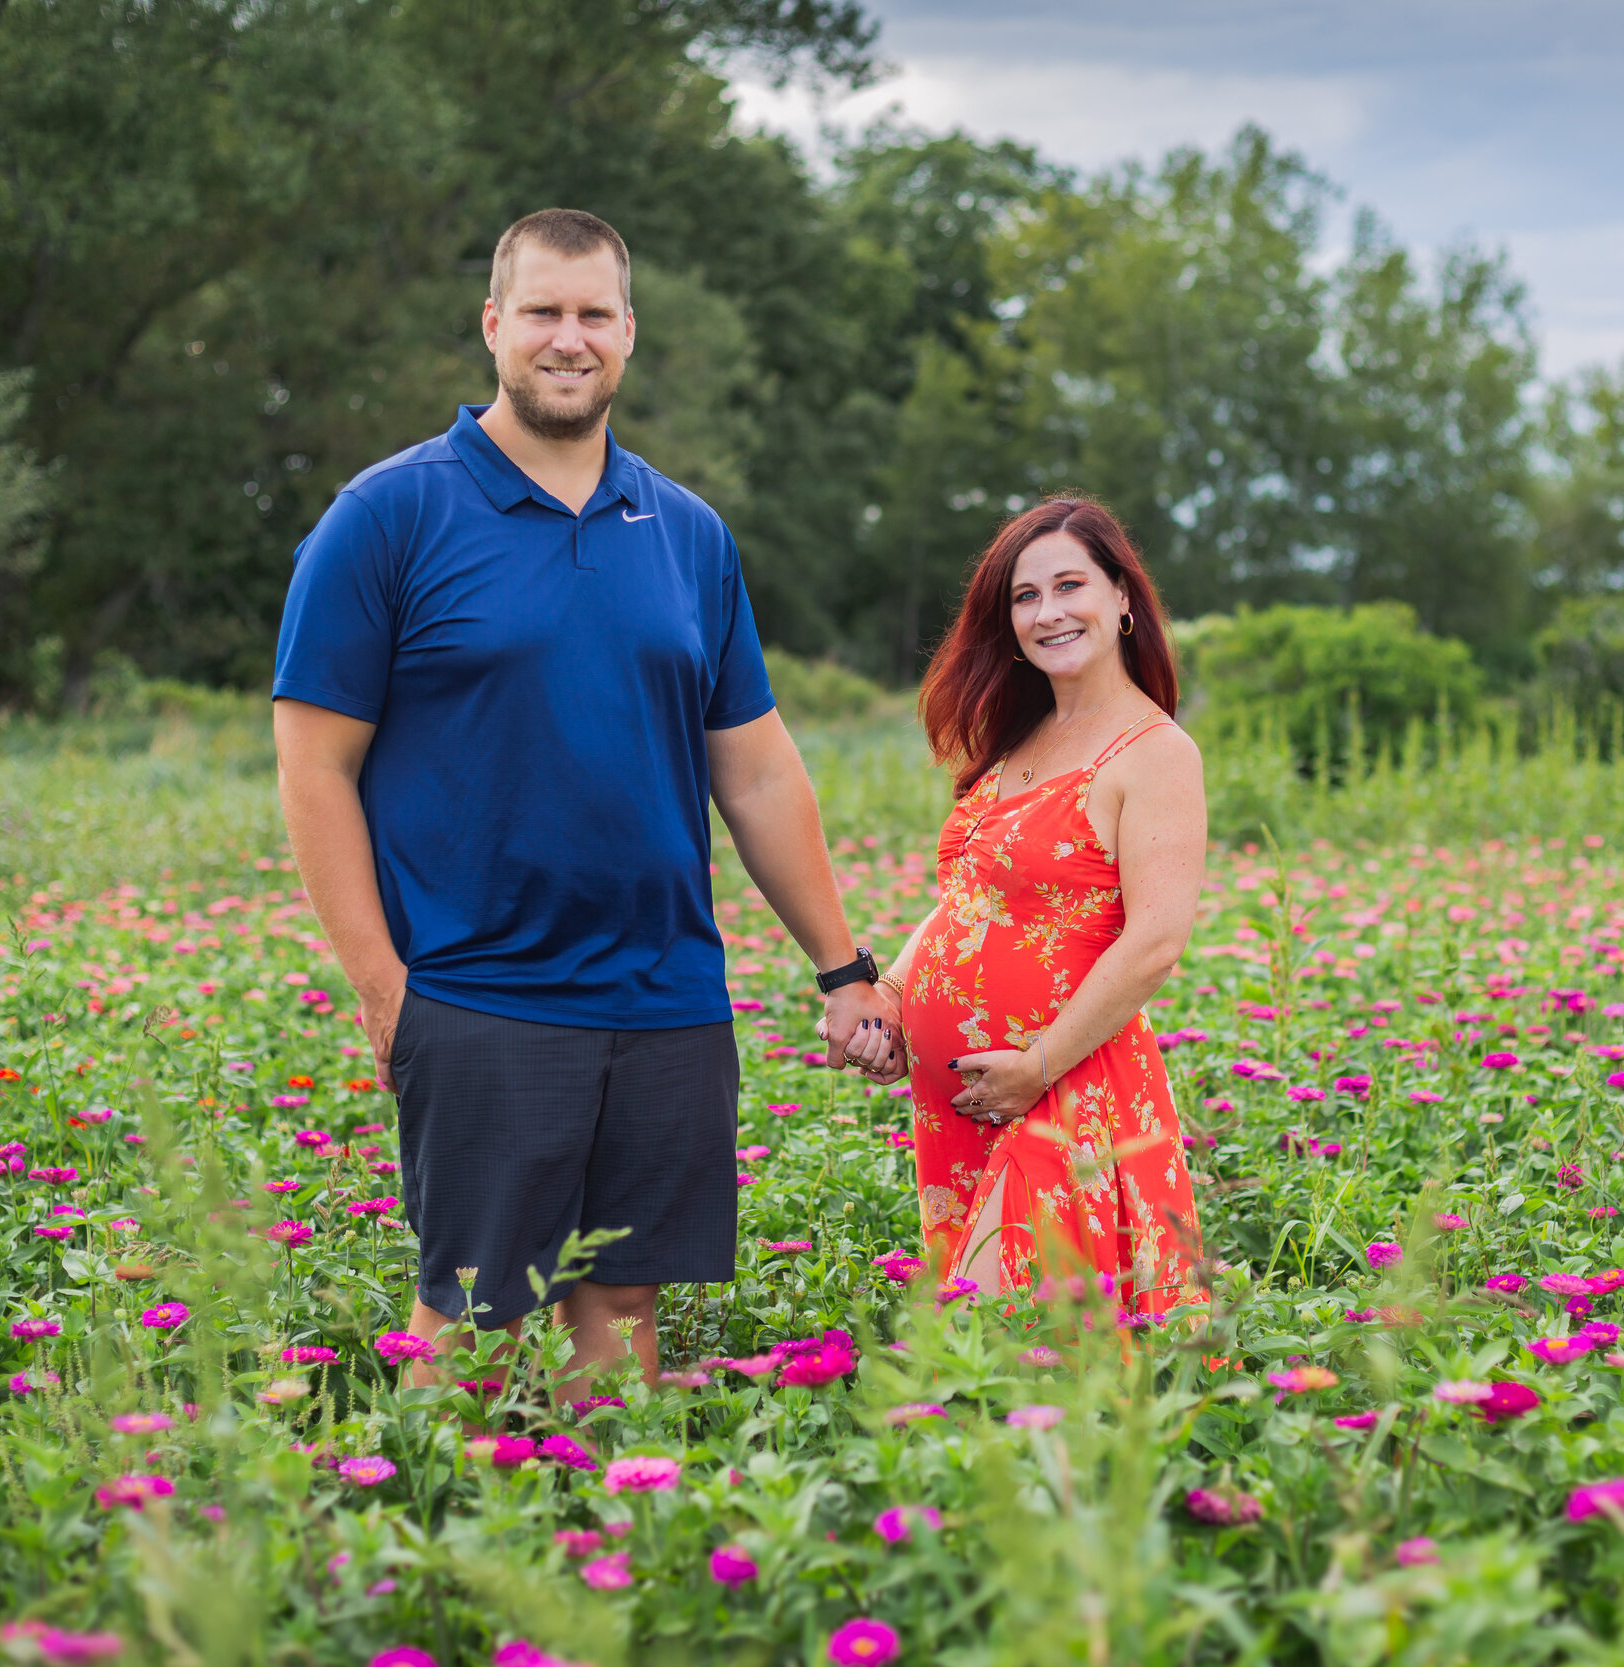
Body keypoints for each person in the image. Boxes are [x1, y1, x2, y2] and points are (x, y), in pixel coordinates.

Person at [272, 208, 893, 1392]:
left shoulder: (688, 533)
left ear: (628, 333)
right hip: (478, 991)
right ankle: (423, 1553)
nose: (570, 337)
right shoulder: (387, 516)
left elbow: (755, 769)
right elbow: (314, 768)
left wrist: (839, 962)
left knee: (620, 1315)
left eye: (593, 313)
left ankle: (596, 1554)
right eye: (544, 311)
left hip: (664, 998)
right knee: (469, 1323)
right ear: (495, 325)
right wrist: (383, 987)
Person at [840, 498, 1208, 1315]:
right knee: (991, 1364)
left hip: (1066, 1087)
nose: (1049, 612)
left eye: (1070, 585)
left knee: (1019, 1343)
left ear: (1121, 597)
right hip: (966, 1099)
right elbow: (967, 901)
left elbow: (1155, 943)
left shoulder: (1155, 753)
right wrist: (893, 998)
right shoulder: (1016, 740)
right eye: (1024, 596)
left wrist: (1037, 1066)